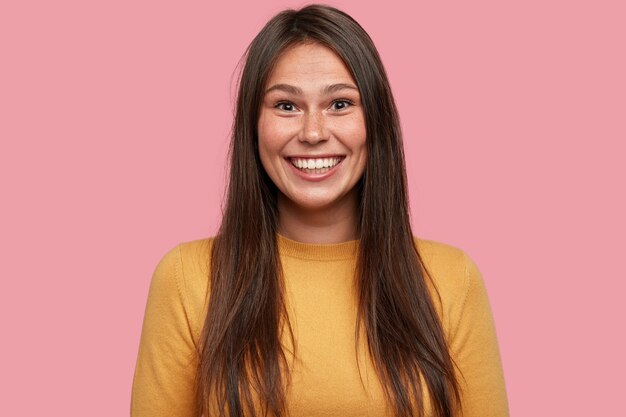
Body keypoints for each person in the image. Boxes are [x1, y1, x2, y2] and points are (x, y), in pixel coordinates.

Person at [130, 4, 509, 417]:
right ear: (252, 125)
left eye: (340, 104)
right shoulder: (188, 278)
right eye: (286, 106)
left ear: (375, 121)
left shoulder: (452, 280)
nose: (313, 133)